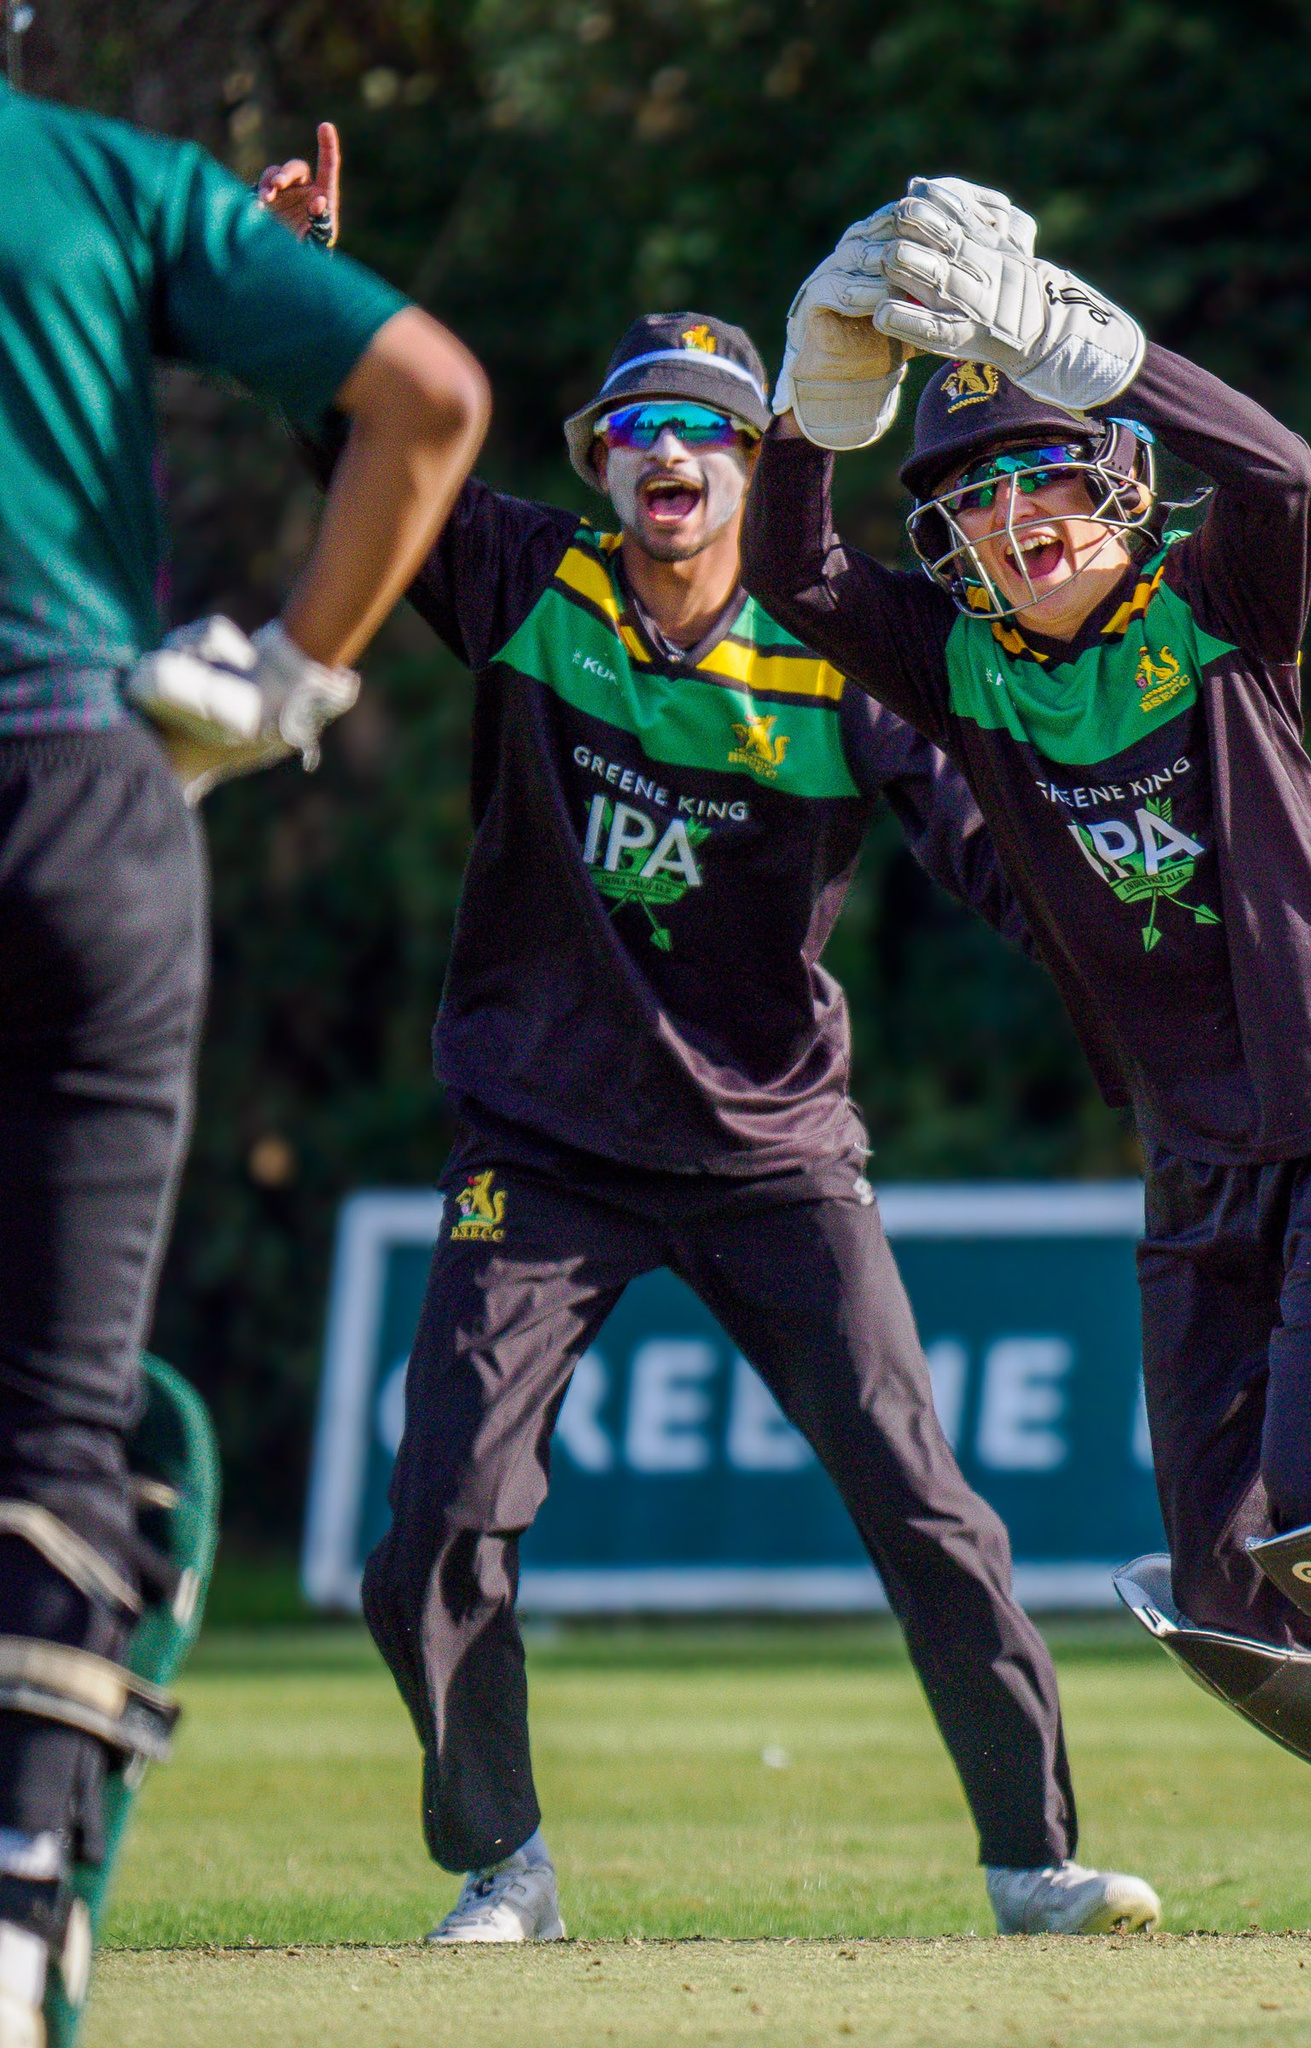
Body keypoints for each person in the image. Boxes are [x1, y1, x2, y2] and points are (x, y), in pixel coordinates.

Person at [262, 151, 1161, 1945]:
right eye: (637, 431)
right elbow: (366, 449)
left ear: (758, 464)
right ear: (600, 465)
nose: (672, 460)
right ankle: (501, 1868)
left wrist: (1139, 959)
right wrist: (303, 292)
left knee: (926, 1506)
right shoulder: (528, 584)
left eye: (712, 432)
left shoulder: (841, 662)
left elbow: (991, 855)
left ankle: (1032, 1863)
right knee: (438, 1524)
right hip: (543, 1144)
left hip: (773, 1157)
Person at [741, 179, 1311, 1935]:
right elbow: (793, 569)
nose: (1020, 519)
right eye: (980, 502)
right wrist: (806, 410)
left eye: (1050, 476)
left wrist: (1109, 355)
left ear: (1117, 488)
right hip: (1196, 1152)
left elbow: (1288, 472)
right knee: (1235, 1589)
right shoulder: (964, 670)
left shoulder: (1211, 607)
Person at [0, 86, 486, 2045]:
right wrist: (290, 672)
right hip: (76, 789)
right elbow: (429, 397)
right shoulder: (91, 174)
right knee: (53, 1419)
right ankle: (20, 1914)